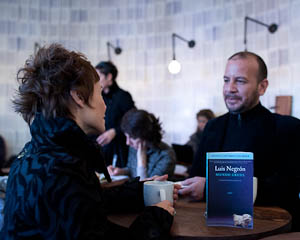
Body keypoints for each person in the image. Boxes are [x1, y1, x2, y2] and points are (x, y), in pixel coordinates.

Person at [0, 44, 179, 239]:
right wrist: (157, 216)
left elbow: (85, 202)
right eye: (100, 93)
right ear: (78, 96)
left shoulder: (41, 152)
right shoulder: (61, 168)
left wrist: (138, 191)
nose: (105, 106)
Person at [179, 51, 300, 231]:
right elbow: (196, 179)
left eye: (240, 81)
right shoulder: (212, 127)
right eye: (226, 80)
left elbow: (285, 190)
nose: (230, 88)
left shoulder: (286, 128)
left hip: (270, 230)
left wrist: (212, 188)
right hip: (215, 229)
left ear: (262, 87)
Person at [107, 109, 176, 180]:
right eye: (126, 137)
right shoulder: (135, 147)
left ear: (146, 136)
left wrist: (142, 161)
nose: (127, 143)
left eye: (132, 138)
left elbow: (147, 187)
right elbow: (132, 170)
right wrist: (121, 171)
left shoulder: (166, 155)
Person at [95, 61, 135, 168]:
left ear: (109, 77)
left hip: (120, 149)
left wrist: (115, 131)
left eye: (98, 77)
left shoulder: (124, 96)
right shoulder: (97, 97)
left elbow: (133, 122)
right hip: (101, 149)